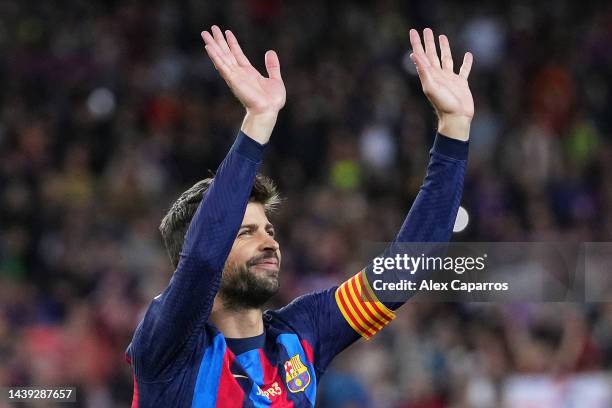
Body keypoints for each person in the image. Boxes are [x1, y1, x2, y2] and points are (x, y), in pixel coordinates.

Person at [126, 25, 474, 407]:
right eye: (244, 233)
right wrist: (257, 122)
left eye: (269, 229)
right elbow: (205, 259)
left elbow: (403, 271)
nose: (270, 242)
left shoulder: (300, 335)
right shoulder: (166, 348)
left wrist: (454, 129)